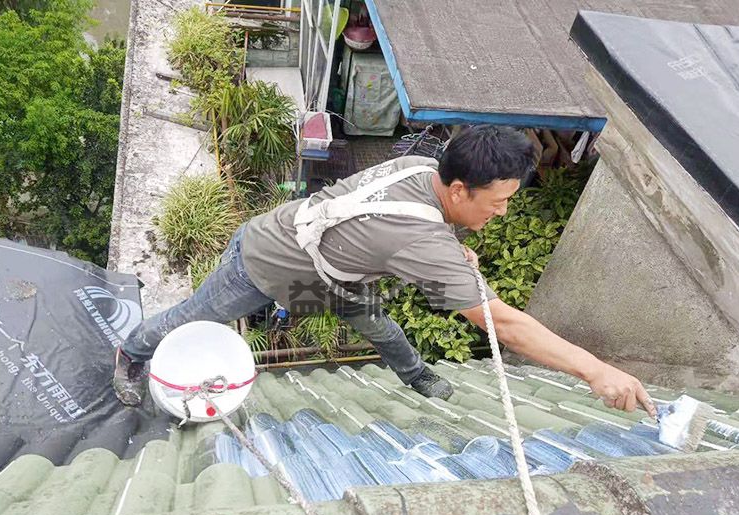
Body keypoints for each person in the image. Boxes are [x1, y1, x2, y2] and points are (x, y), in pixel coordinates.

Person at [114, 125, 655, 418]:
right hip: (265, 261)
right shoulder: (420, 237)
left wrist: (449, 248)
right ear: (460, 187)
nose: (504, 211)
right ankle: (131, 354)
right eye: (500, 200)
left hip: (332, 276)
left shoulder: (426, 167)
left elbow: (392, 224)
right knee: (191, 319)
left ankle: (416, 376)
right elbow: (504, 325)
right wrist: (594, 371)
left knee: (384, 329)